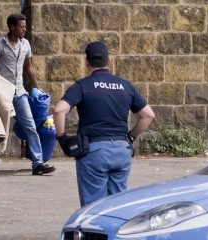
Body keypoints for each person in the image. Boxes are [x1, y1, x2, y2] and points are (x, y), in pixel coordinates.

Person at [53, 41, 155, 206]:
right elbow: (148, 115)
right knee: (117, 206)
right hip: (122, 151)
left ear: (86, 62)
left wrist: (61, 137)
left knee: (93, 209)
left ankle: (94, 231)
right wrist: (130, 136)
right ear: (109, 61)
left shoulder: (82, 86)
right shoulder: (126, 86)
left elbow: (59, 110)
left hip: (94, 151)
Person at [0, 13, 56, 175]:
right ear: (12, 27)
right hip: (1, 92)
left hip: (19, 93)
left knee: (30, 126)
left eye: (25, 26)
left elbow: (29, 67)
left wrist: (37, 87)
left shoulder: (25, 44)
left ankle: (38, 163)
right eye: (22, 26)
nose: (25, 29)